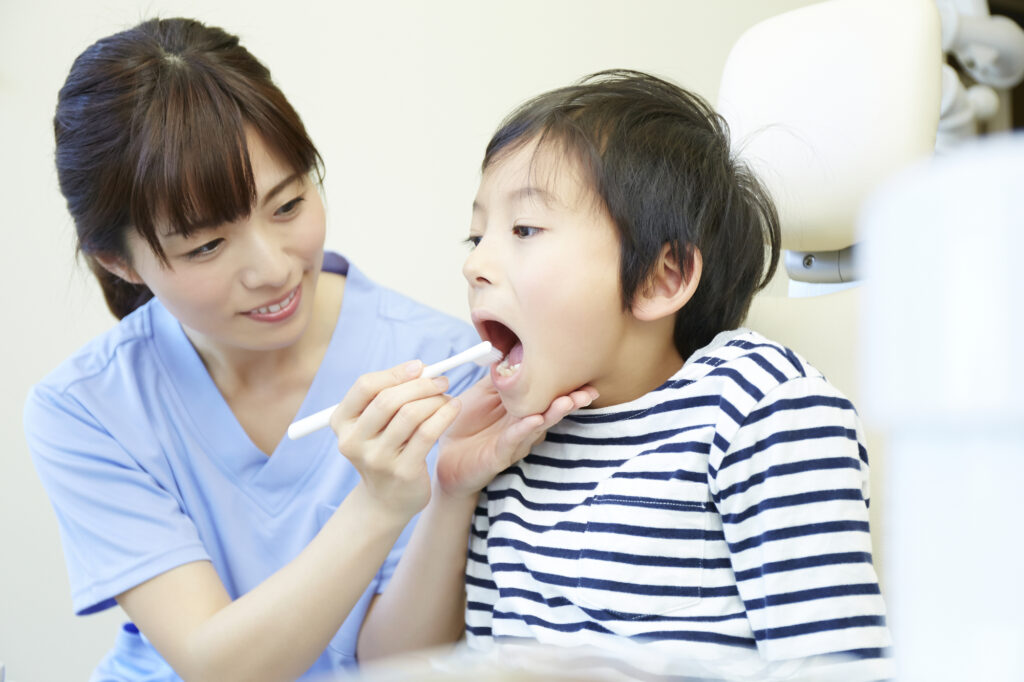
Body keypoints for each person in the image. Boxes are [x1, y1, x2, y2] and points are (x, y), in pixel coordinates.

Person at [24, 17, 596, 682]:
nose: (271, 268)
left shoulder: (445, 360)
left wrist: (444, 494)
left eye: (289, 204)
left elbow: (402, 663)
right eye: (206, 245)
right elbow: (217, 666)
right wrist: (378, 504)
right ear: (119, 263)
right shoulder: (85, 408)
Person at [361, 70, 892, 679]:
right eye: (477, 235)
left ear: (659, 278)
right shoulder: (506, 443)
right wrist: (454, 490)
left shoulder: (757, 410)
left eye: (525, 229)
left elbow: (839, 669)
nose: (475, 264)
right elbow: (395, 669)